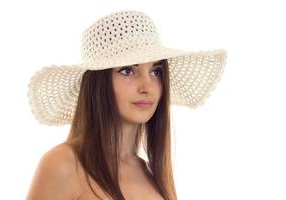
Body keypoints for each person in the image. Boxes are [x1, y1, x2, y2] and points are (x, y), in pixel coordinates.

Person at [26, 9, 227, 200]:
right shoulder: (63, 165)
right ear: (98, 84)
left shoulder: (151, 173)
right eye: (128, 71)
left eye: (156, 71)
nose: (147, 86)